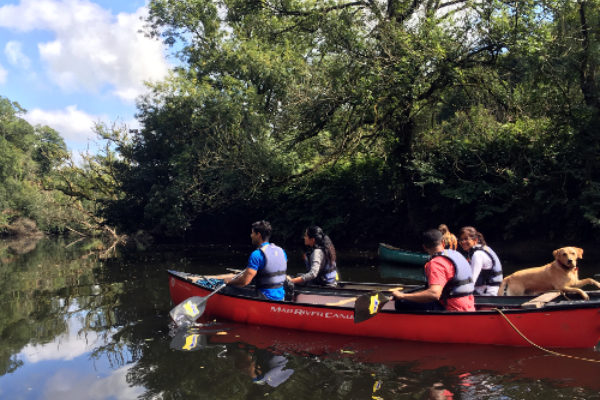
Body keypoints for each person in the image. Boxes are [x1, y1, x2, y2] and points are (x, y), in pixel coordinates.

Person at [390, 229, 475, 311]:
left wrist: (402, 296)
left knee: (401, 302)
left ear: (424, 247)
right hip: (469, 304)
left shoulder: (436, 263)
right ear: (443, 242)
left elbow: (434, 294)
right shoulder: (456, 254)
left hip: (452, 308)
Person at [217, 220, 288, 300]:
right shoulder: (281, 251)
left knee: (226, 289)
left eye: (252, 233)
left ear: (258, 235)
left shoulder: (257, 254)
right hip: (281, 296)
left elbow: (244, 282)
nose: (251, 236)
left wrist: (229, 281)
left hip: (265, 297)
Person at [458, 226, 503, 296]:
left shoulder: (477, 255)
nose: (463, 242)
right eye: (461, 240)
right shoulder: (486, 248)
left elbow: (472, 280)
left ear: (475, 240)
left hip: (487, 293)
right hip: (491, 290)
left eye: (466, 239)